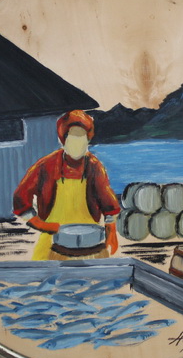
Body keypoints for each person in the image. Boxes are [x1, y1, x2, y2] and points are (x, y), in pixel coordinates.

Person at [13, 110, 121, 260]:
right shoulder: (46, 165)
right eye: (73, 137)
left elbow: (108, 202)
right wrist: (40, 224)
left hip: (89, 240)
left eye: (82, 137)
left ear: (88, 140)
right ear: (64, 139)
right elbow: (20, 197)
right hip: (52, 237)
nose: (78, 142)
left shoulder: (94, 167)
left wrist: (111, 230)